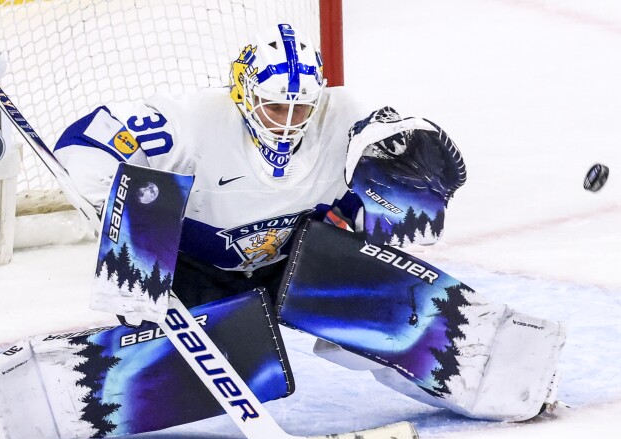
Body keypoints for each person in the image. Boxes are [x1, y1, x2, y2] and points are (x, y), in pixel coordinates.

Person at [54, 23, 462, 308]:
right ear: (245, 94)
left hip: (295, 264)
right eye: (274, 107)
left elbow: (399, 161)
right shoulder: (191, 122)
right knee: (145, 193)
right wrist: (117, 210)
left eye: (300, 107)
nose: (287, 122)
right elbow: (85, 138)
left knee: (371, 273)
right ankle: (156, 330)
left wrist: (404, 181)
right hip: (195, 273)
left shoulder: (347, 117)